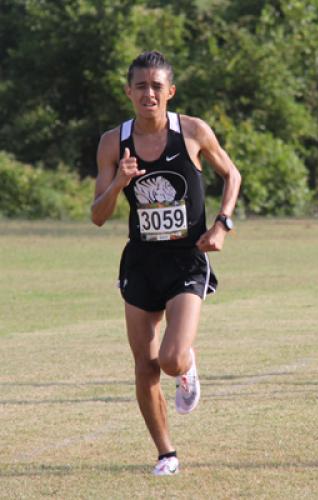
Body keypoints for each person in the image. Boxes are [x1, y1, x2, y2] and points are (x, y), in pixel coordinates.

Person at [91, 51, 241, 475]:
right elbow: (98, 215)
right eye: (141, 86)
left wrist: (221, 225)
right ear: (128, 92)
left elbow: (232, 175)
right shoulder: (111, 142)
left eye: (157, 86)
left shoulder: (192, 132)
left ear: (170, 91)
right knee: (143, 365)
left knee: (171, 359)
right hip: (140, 261)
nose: (149, 93)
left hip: (186, 259)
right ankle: (166, 453)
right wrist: (120, 181)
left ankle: (188, 369)